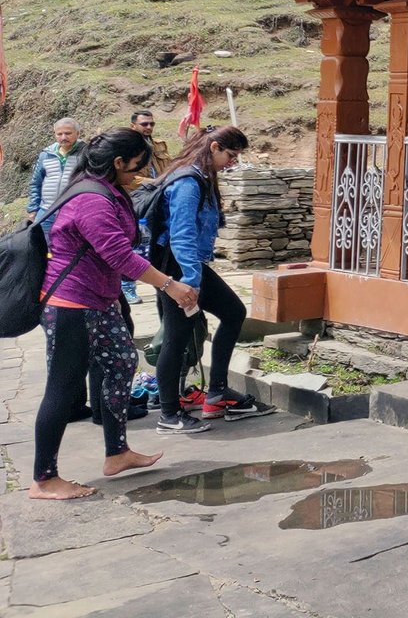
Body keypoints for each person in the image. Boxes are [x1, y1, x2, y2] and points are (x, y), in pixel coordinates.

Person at [30, 128, 200, 500]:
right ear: (118, 162)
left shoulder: (109, 189)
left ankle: (117, 452)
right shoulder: (91, 199)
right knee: (63, 386)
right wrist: (170, 284)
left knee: (123, 363)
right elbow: (119, 256)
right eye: (136, 166)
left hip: (101, 301)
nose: (139, 173)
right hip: (71, 305)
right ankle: (44, 479)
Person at [150, 125, 267, 432]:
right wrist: (189, 280)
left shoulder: (200, 175)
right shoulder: (188, 181)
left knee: (233, 312)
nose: (233, 162)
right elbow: (182, 234)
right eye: (231, 154)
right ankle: (169, 415)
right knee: (176, 338)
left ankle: (216, 392)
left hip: (189, 266)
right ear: (214, 147)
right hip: (178, 268)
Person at [122, 111, 169, 305]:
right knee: (134, 245)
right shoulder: (126, 146)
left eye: (151, 124)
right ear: (133, 126)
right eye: (144, 124)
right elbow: (129, 177)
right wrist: (156, 182)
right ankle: (127, 287)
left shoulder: (159, 145)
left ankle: (161, 283)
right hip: (135, 200)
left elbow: (169, 167)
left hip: (158, 198)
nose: (148, 127)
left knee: (156, 243)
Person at [28, 119, 84, 232]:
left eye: (68, 133)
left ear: (78, 133)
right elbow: (36, 183)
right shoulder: (46, 154)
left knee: (67, 247)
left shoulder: (86, 154)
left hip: (73, 212)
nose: (63, 137)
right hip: (46, 211)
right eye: (59, 134)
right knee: (42, 246)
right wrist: (33, 208)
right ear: (55, 134)